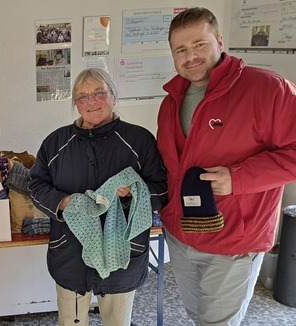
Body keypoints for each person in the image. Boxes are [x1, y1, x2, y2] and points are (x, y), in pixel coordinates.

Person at [157, 7, 296, 326]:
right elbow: (169, 164)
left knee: (217, 322)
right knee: (198, 316)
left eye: (199, 44)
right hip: (181, 236)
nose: (190, 56)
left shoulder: (268, 90)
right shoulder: (171, 101)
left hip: (234, 239)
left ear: (219, 40)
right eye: (181, 49)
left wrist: (238, 179)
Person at [29, 68, 168, 326]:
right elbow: (35, 185)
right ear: (75, 104)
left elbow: (161, 189)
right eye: (82, 97)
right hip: (70, 255)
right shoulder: (56, 143)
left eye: (99, 93)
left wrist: (132, 197)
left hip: (122, 257)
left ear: (114, 96)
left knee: (117, 322)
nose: (91, 102)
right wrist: (64, 202)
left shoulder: (139, 141)